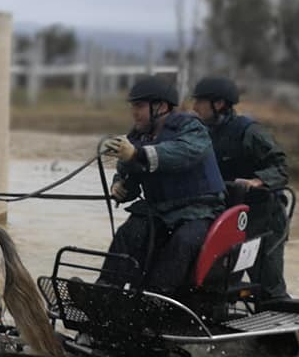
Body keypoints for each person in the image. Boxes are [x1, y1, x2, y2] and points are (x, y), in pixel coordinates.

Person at [97, 76, 226, 294]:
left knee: (183, 242)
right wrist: (119, 187)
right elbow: (129, 177)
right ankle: (104, 292)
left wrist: (137, 154)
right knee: (129, 233)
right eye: (133, 106)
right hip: (159, 211)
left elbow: (183, 153)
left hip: (200, 211)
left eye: (139, 106)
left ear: (161, 106)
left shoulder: (192, 128)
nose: (134, 112)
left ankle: (156, 299)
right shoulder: (138, 136)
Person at [191, 77, 290, 301]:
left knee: (268, 285)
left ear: (218, 104)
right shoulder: (200, 131)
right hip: (225, 218)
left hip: (262, 218)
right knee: (218, 282)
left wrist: (257, 181)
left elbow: (281, 166)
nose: (195, 107)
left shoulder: (249, 132)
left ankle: (277, 323)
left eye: (200, 102)